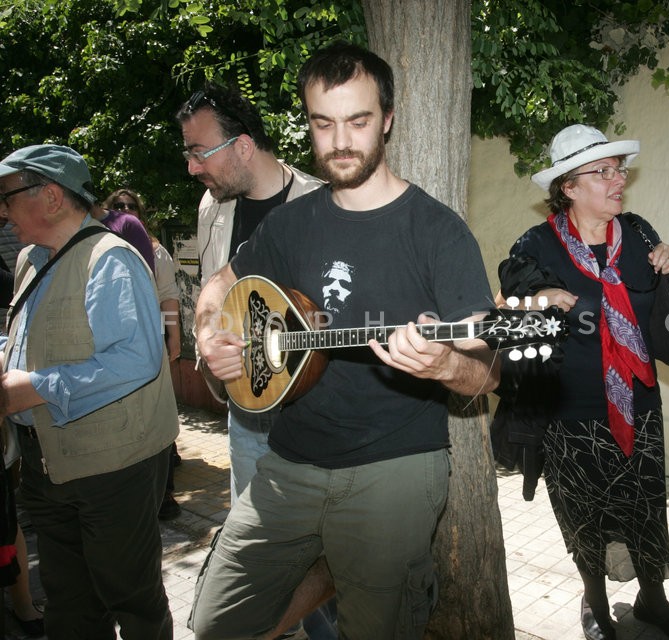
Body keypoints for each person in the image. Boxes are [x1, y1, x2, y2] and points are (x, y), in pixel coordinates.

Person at [187, 42, 499, 640]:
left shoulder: (437, 231)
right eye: (323, 124)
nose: (340, 141)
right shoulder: (291, 223)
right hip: (291, 457)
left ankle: (355, 559)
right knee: (214, 624)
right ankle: (338, 561)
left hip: (395, 466)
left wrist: (445, 365)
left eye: (358, 121)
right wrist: (211, 339)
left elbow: (488, 373)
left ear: (387, 119)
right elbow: (215, 291)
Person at [497, 124, 669, 640]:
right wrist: (540, 296)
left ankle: (653, 601)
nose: (617, 179)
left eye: (618, 169)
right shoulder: (538, 244)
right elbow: (512, 288)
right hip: (571, 411)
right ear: (569, 186)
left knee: (645, 506)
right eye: (602, 171)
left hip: (638, 404)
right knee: (583, 512)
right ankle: (597, 606)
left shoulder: (638, 231)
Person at [0, 144, 178, 637]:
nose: (1, 210)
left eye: (7, 196)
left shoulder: (109, 259)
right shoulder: (32, 260)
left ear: (51, 196)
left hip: (113, 469)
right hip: (48, 465)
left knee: (131, 599)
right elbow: (32, 337)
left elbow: (136, 360)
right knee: (71, 603)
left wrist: (32, 388)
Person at [175, 82, 323, 506]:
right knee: (253, 540)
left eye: (199, 153)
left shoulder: (318, 204)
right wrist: (207, 337)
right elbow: (213, 290)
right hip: (243, 410)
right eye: (188, 154)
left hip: (308, 411)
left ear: (242, 146)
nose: (191, 168)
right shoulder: (212, 206)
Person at [104, 187, 183, 520]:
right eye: (119, 205)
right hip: (117, 346)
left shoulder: (156, 251)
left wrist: (172, 336)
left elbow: (167, 296)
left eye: (131, 205)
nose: (125, 209)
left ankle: (164, 494)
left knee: (158, 417)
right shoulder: (101, 248)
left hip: (152, 339)